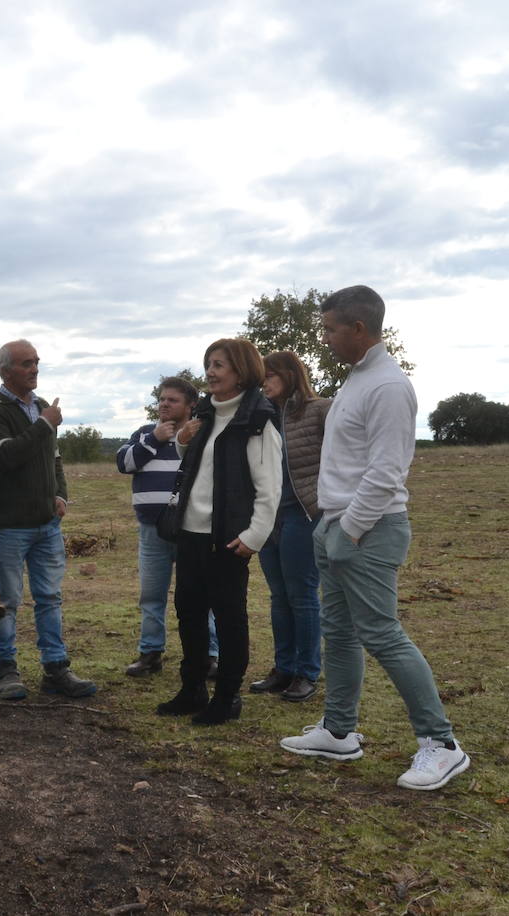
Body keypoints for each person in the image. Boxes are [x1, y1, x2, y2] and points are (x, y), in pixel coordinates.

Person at [281, 286, 470, 790]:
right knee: (339, 634)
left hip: (366, 530)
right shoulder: (357, 381)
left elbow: (388, 471)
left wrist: (350, 528)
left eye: (329, 329)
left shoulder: (387, 386)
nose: (324, 339)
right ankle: (339, 731)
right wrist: (330, 524)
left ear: (357, 329)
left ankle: (442, 744)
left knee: (383, 635)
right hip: (336, 526)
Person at [157, 338, 281, 725]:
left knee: (229, 620)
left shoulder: (256, 419)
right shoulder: (207, 413)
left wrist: (254, 536)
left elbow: (269, 486)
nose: (209, 372)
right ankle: (192, 689)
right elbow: (199, 465)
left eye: (219, 365)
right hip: (190, 534)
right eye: (208, 364)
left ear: (241, 371)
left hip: (228, 539)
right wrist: (182, 441)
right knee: (189, 614)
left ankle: (227, 698)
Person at [0, 339, 97, 700]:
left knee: (50, 597)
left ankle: (56, 669)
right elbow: (8, 457)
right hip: (9, 525)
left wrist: (61, 494)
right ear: (6, 371)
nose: (34, 369)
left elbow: (55, 459)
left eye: (36, 362)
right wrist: (45, 426)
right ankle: (5, 670)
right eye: (26, 363)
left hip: (47, 524)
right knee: (7, 599)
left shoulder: (43, 407)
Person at [116, 378, 219, 677]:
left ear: (190, 406)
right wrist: (155, 439)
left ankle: (209, 655)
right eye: (162, 399)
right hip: (151, 530)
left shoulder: (201, 433)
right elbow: (124, 463)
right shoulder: (145, 433)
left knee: (202, 596)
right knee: (151, 595)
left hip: (192, 529)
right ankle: (150, 654)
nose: (164, 404)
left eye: (172, 400)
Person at [250, 352, 331, 702]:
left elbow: (344, 458)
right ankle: (283, 668)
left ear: (289, 374)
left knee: (301, 594)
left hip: (303, 514)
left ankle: (307, 672)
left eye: (270, 376)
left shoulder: (320, 410)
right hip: (268, 517)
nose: (264, 383)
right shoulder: (261, 416)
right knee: (279, 596)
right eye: (261, 378)